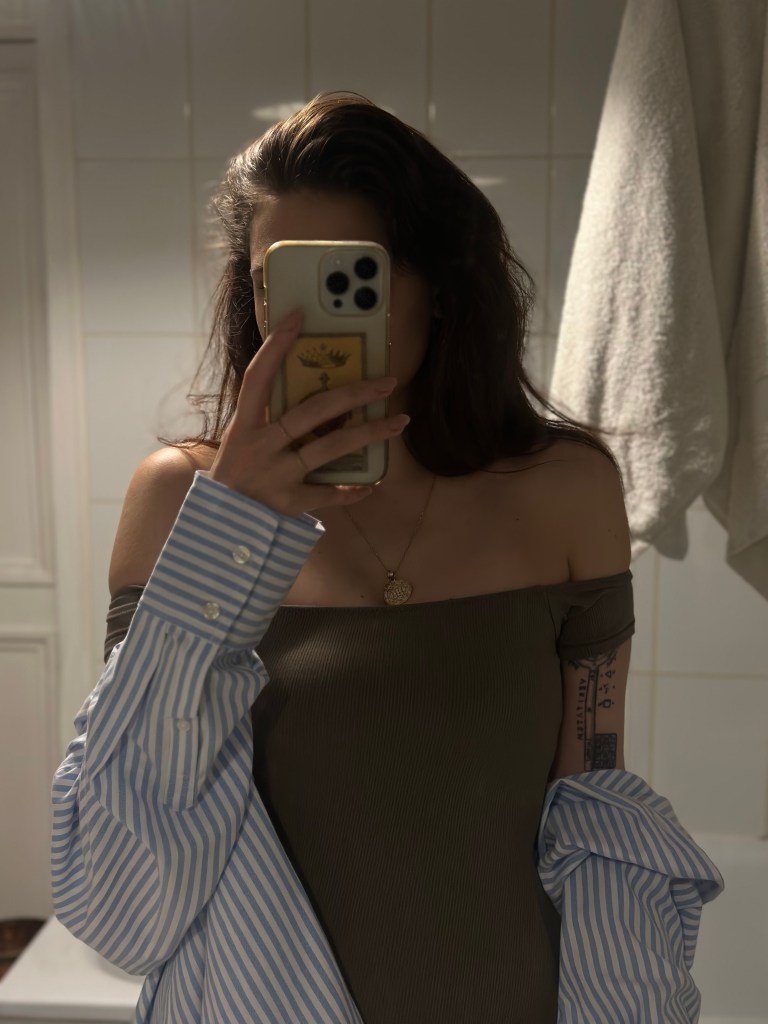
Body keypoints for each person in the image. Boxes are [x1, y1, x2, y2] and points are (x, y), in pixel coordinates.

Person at [53, 93, 639, 1023]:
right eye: (275, 281)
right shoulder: (178, 500)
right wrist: (230, 532)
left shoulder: (565, 490)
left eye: (349, 277)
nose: (306, 322)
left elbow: (594, 802)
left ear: (439, 286)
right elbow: (121, 898)